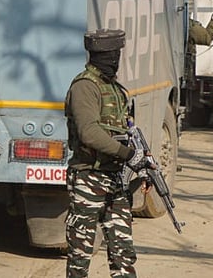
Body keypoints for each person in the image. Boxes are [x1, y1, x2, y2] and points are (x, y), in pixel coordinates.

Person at [64, 29, 152, 278]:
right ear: (100, 55)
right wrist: (127, 154)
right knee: (80, 255)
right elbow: (89, 133)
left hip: (115, 180)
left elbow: (125, 130)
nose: (115, 60)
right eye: (111, 55)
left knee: (123, 253)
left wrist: (142, 162)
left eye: (116, 54)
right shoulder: (85, 87)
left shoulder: (113, 88)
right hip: (88, 179)